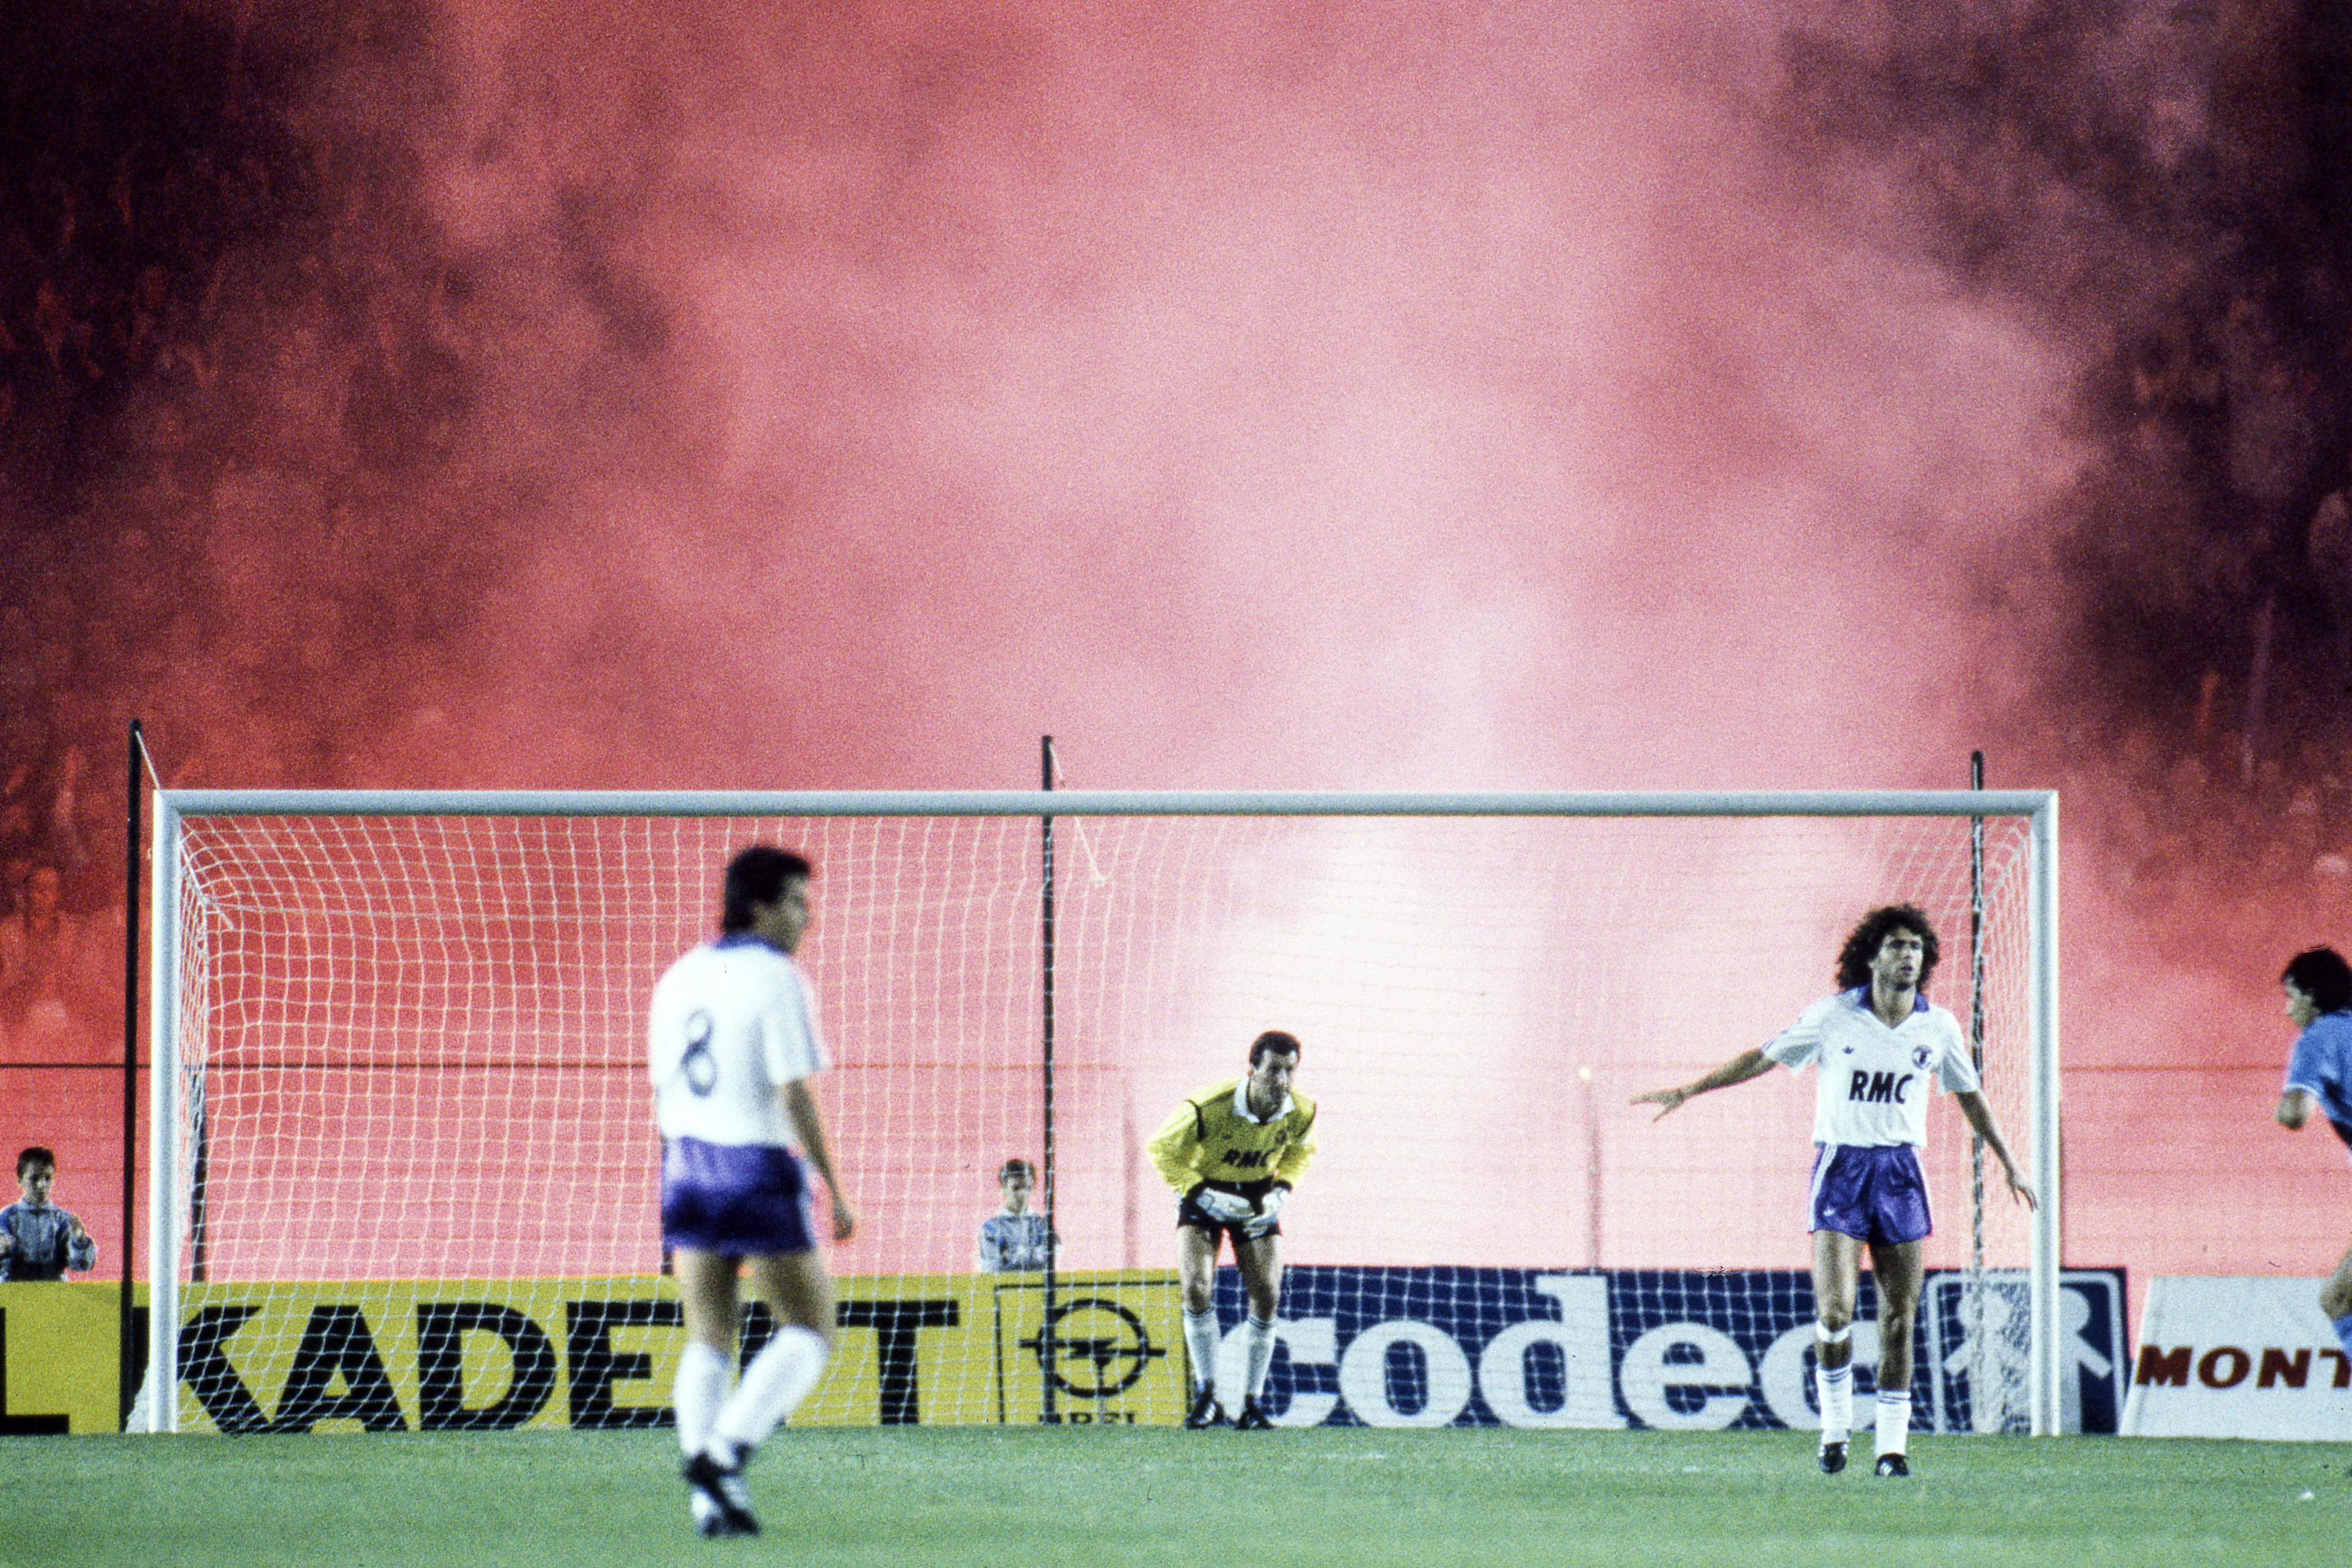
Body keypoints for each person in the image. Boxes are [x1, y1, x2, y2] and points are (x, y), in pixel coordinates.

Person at [1632, 905, 2034, 1476]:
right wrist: (1690, 1088)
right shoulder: (1833, 1017)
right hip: (1841, 1171)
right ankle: (1834, 1430)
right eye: (1896, 945)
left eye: (1916, 947)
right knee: (1836, 1310)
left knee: (1899, 1317)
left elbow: (1970, 1096)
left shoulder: (1937, 1027)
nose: (1907, 955)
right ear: (1871, 956)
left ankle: (1892, 1450)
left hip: (1900, 1174)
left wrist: (2010, 1163)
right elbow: (1762, 1056)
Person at [649, 846, 855, 1538]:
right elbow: (793, 1089)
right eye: (798, 900)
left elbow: (662, 1090)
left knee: (709, 1334)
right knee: (809, 1327)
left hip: (683, 1164)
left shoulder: (679, 975)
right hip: (753, 1164)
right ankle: (722, 1451)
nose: (808, 915)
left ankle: (712, 1504)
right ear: (760, 905)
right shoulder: (777, 977)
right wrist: (834, 1185)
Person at [1146, 1029, 1315, 1430]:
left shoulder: (1302, 1111)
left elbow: (1299, 1153)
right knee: (1196, 1287)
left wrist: (1281, 1189)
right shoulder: (1208, 1106)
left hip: (1256, 1196)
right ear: (1252, 1069)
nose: (1282, 1080)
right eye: (1273, 1069)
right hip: (1204, 1194)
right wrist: (1197, 1190)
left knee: (1268, 1293)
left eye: (1289, 1071)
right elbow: (1160, 1148)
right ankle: (1207, 1395)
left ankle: (1252, 1403)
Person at [2273, 946, 2352, 1375]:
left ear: (2312, 994)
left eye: (2291, 996)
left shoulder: (2320, 1036)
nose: (2287, 1010)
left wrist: (2282, 1106)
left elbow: (2295, 1113)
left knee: (2339, 1299)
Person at [1, 1146, 97, 1281]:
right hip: (16, 1292)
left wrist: (79, 1241)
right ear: (20, 1180)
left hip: (54, 1293)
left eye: (47, 1178)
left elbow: (81, 1265)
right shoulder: (6, 1218)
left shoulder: (62, 1219)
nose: (41, 1185)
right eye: (34, 1179)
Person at [976, 1158, 1056, 1273]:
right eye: (1016, 1188)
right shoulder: (991, 1229)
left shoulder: (1043, 1226)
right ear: (1003, 1189)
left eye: (1027, 1188)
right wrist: (1032, 1258)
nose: (1022, 1194)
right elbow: (992, 1269)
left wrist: (1009, 1258)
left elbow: (1051, 1264)